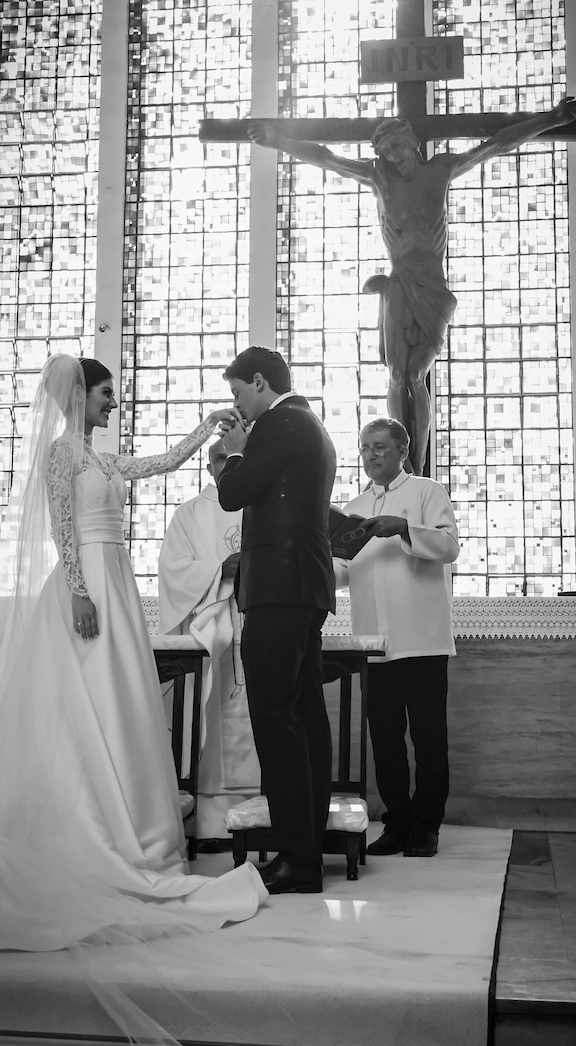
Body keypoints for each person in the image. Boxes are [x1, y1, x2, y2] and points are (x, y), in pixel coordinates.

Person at [0, 354, 265, 956]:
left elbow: (161, 463)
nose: (112, 404)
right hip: (86, 585)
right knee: (85, 700)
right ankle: (88, 829)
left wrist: (208, 428)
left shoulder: (101, 456)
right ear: (78, 395)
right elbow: (62, 528)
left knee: (119, 698)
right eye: (104, 394)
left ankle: (134, 829)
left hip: (116, 581)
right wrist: (75, 591)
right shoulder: (63, 454)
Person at [248, 96, 576, 476]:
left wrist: (553, 118)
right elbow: (326, 157)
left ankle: (417, 464)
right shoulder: (379, 177)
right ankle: (403, 464)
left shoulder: (442, 169)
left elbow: (496, 144)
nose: (393, 156)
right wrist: (277, 140)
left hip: (434, 290)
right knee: (395, 374)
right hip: (397, 286)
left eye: (398, 146)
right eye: (386, 151)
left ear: (414, 145)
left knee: (415, 375)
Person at [217, 347, 336, 895]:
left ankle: (296, 857)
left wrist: (235, 455)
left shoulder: (279, 424)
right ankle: (305, 852)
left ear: (261, 382)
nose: (237, 405)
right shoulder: (308, 423)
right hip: (303, 589)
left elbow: (233, 495)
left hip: (280, 589)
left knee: (274, 717)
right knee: (305, 715)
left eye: (239, 392)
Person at [333, 417, 459, 858]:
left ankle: (426, 826)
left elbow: (448, 547)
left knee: (427, 737)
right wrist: (312, 566)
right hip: (372, 642)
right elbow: (344, 570)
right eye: (365, 448)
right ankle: (397, 821)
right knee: (384, 738)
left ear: (402, 451)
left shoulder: (426, 491)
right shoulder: (354, 505)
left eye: (380, 447)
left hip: (422, 638)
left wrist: (405, 528)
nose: (370, 455)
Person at [157, 440, 260, 849]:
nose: (227, 465)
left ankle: (258, 814)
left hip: (255, 622)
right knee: (209, 715)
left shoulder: (262, 506)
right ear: (208, 465)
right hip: (211, 625)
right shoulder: (190, 513)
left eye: (236, 458)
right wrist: (221, 569)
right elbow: (173, 570)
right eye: (220, 458)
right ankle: (208, 818)